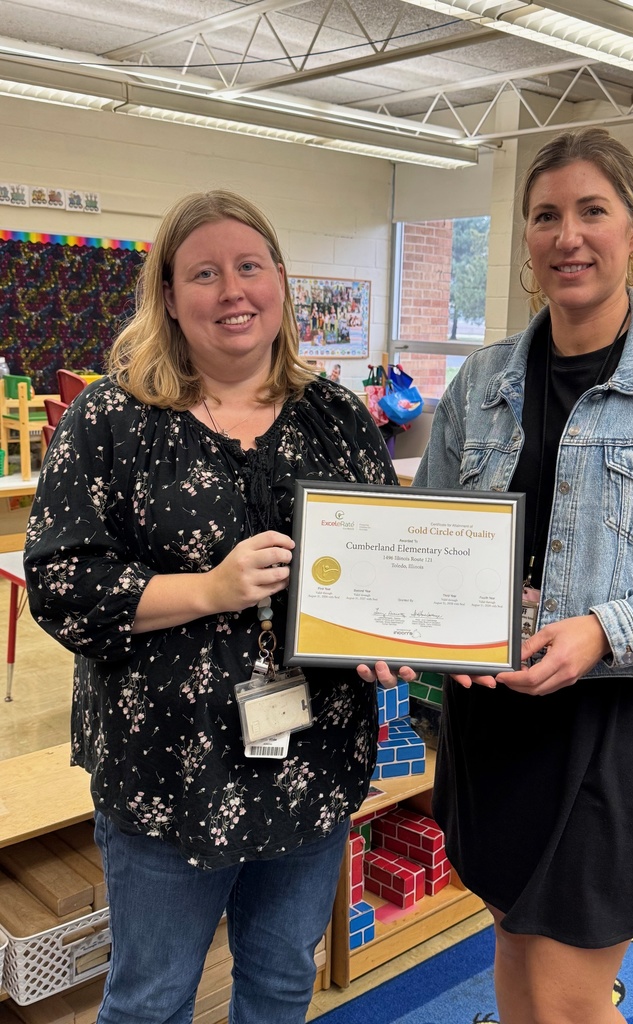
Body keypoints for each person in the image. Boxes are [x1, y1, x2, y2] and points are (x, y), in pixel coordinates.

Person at [411, 127, 633, 1024]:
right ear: (527, 239)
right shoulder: (483, 381)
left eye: (591, 212)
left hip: (620, 720)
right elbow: (431, 529)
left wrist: (609, 627)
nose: (567, 236)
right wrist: (403, 623)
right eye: (545, 216)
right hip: (494, 716)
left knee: (570, 997)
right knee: (514, 943)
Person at [24, 189, 401, 1024]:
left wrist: (394, 634)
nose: (232, 291)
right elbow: (60, 585)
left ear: (280, 283)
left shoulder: (337, 418)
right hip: (168, 768)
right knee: (152, 998)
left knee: (280, 979)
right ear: (167, 295)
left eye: (249, 267)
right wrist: (209, 590)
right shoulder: (110, 420)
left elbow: (382, 566)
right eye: (203, 273)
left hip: (312, 759)